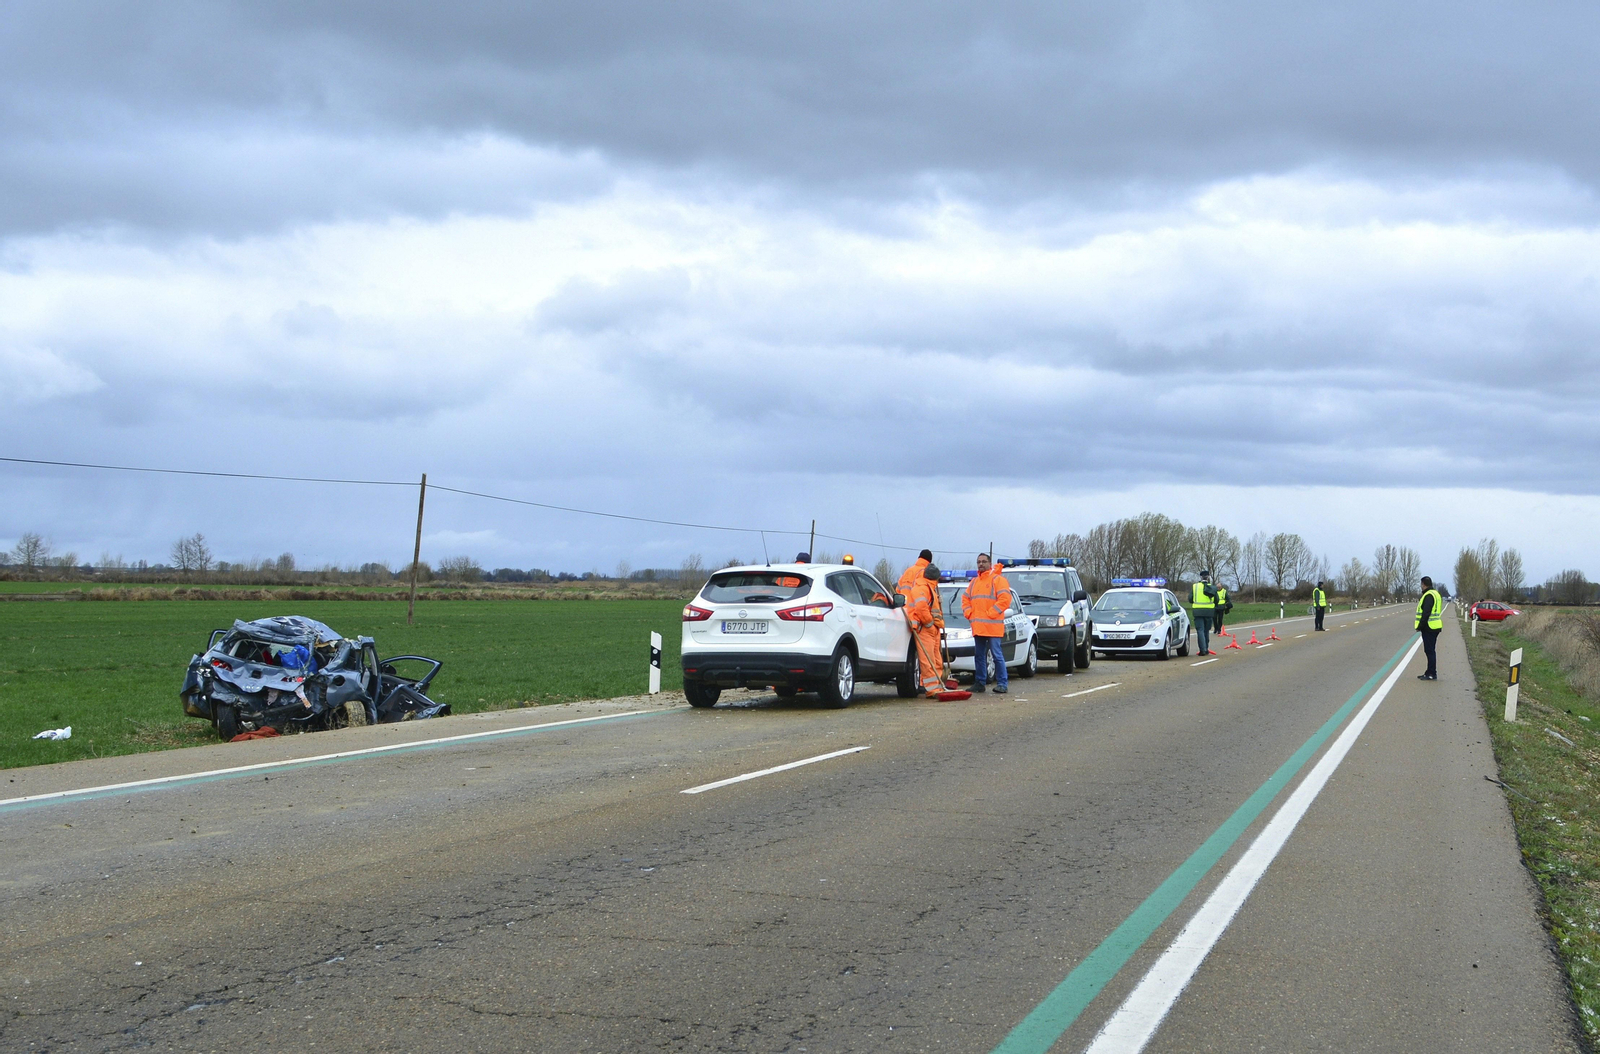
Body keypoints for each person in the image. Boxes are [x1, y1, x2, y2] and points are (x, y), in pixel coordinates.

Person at [963, 553, 1013, 693]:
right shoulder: (974, 582)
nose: (981, 564)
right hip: (978, 626)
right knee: (979, 656)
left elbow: (1005, 599)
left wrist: (991, 613)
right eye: (979, 562)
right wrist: (969, 613)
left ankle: (1002, 683)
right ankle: (980, 682)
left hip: (992, 626)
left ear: (989, 563)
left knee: (996, 655)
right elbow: (965, 599)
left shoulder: (998, 580)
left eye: (984, 561)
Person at [904, 563, 947, 697]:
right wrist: (929, 623)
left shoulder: (930, 587)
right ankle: (931, 689)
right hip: (925, 628)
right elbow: (921, 608)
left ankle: (937, 686)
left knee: (936, 660)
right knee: (928, 661)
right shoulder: (921, 588)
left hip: (933, 628)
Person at [1416, 576, 1444, 680]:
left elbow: (1426, 613)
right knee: (1430, 650)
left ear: (1423, 584)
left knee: (1430, 651)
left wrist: (1420, 626)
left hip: (1429, 627)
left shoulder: (1428, 595)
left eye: (1421, 584)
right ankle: (1429, 672)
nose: (1421, 587)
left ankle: (1432, 673)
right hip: (1435, 626)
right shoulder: (1435, 594)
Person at [1191, 570, 1218, 655]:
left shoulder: (1195, 586)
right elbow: (1216, 600)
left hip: (1198, 611)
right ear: (1208, 577)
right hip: (1209, 612)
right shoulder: (1212, 587)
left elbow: (1190, 598)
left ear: (1200, 577)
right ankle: (1206, 647)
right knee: (1206, 630)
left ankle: (1203, 649)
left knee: (1200, 630)